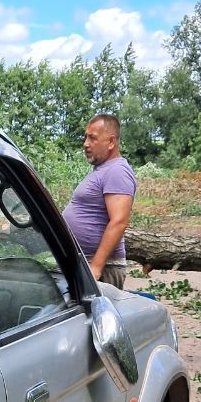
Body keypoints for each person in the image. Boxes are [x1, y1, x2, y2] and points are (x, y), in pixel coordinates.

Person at [62, 114, 136, 288]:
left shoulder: (117, 170)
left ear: (111, 142)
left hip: (103, 270)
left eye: (92, 138)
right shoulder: (102, 170)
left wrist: (96, 267)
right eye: (86, 137)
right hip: (86, 263)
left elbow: (119, 221)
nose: (86, 143)